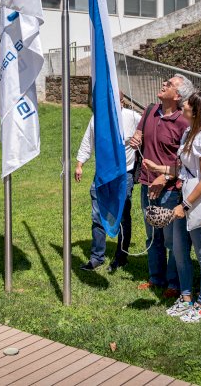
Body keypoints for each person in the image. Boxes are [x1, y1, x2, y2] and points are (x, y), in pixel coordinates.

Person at [128, 74, 194, 298]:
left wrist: (164, 178)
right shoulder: (149, 110)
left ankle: (174, 283)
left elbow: (186, 159)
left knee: (172, 240)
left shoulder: (184, 121)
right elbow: (140, 133)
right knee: (152, 235)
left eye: (170, 84)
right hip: (147, 184)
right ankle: (156, 278)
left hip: (170, 189)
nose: (164, 84)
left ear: (177, 96)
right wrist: (137, 137)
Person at [165, 92, 201, 323]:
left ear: (196, 111)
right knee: (179, 251)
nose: (183, 105)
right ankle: (186, 297)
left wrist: (185, 206)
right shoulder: (189, 132)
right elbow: (188, 170)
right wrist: (160, 169)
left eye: (187, 104)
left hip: (198, 204)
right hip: (184, 198)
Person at [74, 94, 141, 273]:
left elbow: (148, 134)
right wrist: (80, 164)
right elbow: (88, 142)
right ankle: (97, 257)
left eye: (115, 100)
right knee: (97, 215)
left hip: (124, 173)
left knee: (122, 216)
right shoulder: (97, 119)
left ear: (121, 102)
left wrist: (139, 139)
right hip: (102, 175)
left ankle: (121, 257)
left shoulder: (133, 117)